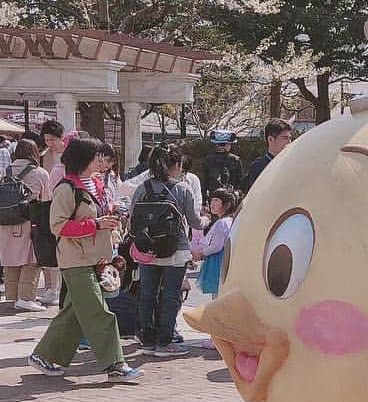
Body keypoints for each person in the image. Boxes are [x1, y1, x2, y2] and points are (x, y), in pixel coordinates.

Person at [27, 137, 141, 380]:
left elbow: (98, 216)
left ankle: (44, 355)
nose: (101, 160)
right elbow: (58, 226)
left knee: (76, 312)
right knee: (99, 312)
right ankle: (115, 364)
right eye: (96, 155)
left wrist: (111, 217)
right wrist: (96, 224)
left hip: (96, 258)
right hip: (75, 259)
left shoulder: (96, 184)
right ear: (85, 158)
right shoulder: (67, 188)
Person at [130, 146, 205, 357]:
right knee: (171, 294)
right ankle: (165, 342)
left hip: (147, 248)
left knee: (147, 294)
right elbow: (194, 221)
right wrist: (206, 220)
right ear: (177, 165)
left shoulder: (141, 188)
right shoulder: (182, 189)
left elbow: (132, 219)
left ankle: (147, 340)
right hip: (175, 248)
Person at [0, 138, 50, 311]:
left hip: (5, 221)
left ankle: (11, 296)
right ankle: (26, 298)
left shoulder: (6, 171)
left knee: (11, 260)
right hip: (29, 222)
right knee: (31, 259)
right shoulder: (40, 173)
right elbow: (46, 201)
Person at [37, 118, 67, 305]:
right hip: (52, 206)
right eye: (47, 140)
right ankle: (53, 289)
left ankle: (57, 289)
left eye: (52, 140)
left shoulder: (69, 155)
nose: (50, 144)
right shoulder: (47, 155)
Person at [194, 188, 237, 298]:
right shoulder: (231, 220)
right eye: (212, 199)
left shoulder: (221, 223)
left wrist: (201, 253)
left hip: (218, 261)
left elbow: (216, 246)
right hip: (227, 260)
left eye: (217, 200)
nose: (212, 203)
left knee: (217, 295)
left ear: (227, 205)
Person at [243, 118, 293, 192]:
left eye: (290, 138)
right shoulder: (258, 167)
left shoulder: (292, 164)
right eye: (285, 138)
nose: (289, 142)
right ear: (270, 139)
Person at [203, 129, 244, 194]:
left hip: (213, 198)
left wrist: (204, 201)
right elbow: (241, 182)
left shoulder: (208, 159)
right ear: (228, 144)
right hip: (230, 197)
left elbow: (204, 182)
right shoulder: (235, 159)